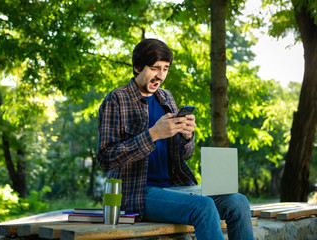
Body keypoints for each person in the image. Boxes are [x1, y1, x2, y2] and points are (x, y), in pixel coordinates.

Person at [97, 38, 254, 240]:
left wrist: (187, 136)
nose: (160, 76)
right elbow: (105, 158)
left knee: (239, 202)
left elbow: (185, 155)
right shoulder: (116, 100)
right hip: (136, 193)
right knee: (204, 207)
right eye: (155, 68)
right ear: (137, 67)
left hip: (175, 188)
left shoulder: (166, 98)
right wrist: (152, 134)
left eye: (165, 68)